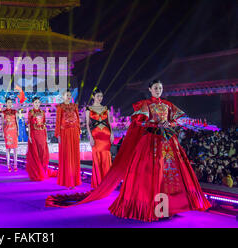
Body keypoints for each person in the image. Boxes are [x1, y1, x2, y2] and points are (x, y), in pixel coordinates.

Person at [46, 80, 212, 222]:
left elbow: (177, 121)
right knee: (150, 174)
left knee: (169, 175)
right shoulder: (145, 105)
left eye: (160, 88)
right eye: (155, 88)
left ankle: (170, 207)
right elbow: (139, 123)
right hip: (150, 143)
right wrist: (154, 125)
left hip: (167, 144)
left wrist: (170, 125)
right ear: (150, 89)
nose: (158, 90)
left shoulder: (168, 105)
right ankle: (151, 207)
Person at [86, 89, 114, 188]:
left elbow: (109, 123)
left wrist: (112, 134)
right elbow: (88, 125)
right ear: (93, 97)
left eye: (101, 96)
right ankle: (98, 183)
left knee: (106, 158)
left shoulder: (106, 108)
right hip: (96, 136)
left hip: (106, 136)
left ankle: (106, 183)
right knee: (97, 158)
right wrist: (90, 137)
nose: (100, 98)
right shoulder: (89, 109)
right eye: (98, 96)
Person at [55, 90, 81, 189]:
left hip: (74, 132)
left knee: (74, 155)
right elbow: (58, 121)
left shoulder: (75, 106)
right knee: (66, 155)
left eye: (70, 95)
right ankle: (67, 181)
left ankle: (74, 180)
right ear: (63, 96)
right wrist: (58, 135)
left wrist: (78, 132)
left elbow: (78, 120)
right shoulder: (60, 107)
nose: (69, 96)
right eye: (67, 95)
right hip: (64, 133)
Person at [26, 97, 53, 181]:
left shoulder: (42, 112)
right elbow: (29, 125)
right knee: (35, 153)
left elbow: (44, 124)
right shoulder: (31, 112)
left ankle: (43, 171)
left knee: (43, 152)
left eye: (38, 102)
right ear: (33, 103)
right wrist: (29, 136)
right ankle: (37, 172)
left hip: (42, 134)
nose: (37, 104)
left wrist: (46, 135)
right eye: (35, 102)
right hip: (34, 134)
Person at [2, 98, 19, 172]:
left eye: (10, 102)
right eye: (8, 102)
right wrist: (2, 132)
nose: (9, 104)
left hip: (14, 130)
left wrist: (18, 130)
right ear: (6, 103)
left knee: (15, 149)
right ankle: (8, 165)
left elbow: (17, 121)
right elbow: (3, 123)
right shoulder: (3, 112)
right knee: (8, 148)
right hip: (7, 131)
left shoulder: (15, 111)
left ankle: (15, 165)